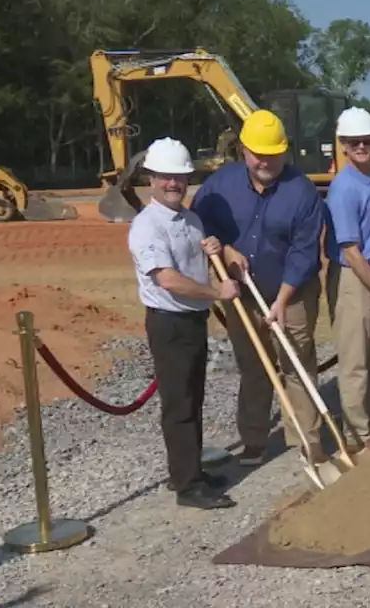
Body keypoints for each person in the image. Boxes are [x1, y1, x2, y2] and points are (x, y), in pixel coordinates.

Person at [190, 109, 326, 467]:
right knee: (254, 366)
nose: (265, 159)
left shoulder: (302, 192)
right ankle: (254, 439)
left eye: (273, 152)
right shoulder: (221, 184)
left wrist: (281, 301)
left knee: (295, 362)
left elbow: (304, 252)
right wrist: (225, 248)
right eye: (257, 152)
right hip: (243, 293)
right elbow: (197, 220)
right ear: (244, 151)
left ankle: (306, 440)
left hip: (293, 292)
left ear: (285, 150)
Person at [127, 137, 238, 510]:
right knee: (179, 405)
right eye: (165, 178)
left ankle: (191, 472)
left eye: (179, 177)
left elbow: (193, 262)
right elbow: (168, 279)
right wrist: (216, 292)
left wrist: (212, 251)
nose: (173, 184)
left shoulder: (191, 219)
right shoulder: (147, 226)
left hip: (192, 320)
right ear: (151, 180)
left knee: (194, 398)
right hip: (169, 323)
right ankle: (187, 486)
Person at [321, 107, 370, 455]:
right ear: (343, 144)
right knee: (354, 361)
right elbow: (351, 250)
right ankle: (357, 438)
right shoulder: (343, 189)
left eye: (367, 140)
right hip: (355, 278)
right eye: (354, 142)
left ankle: (368, 422)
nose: (362, 146)